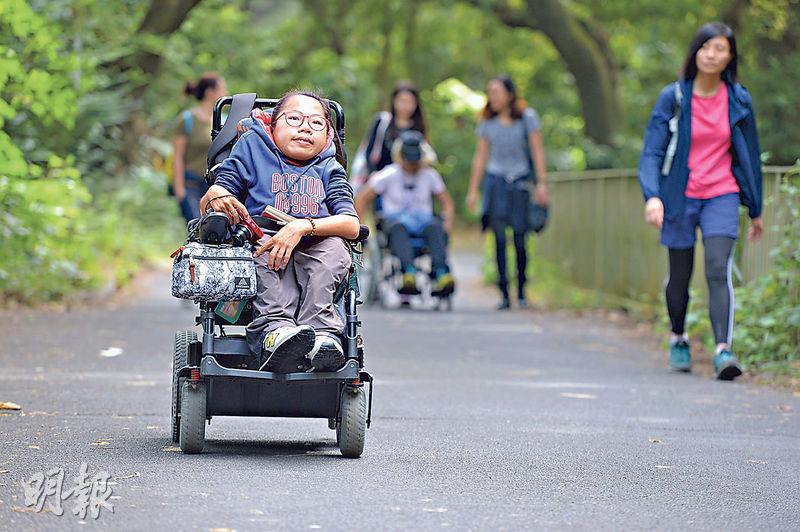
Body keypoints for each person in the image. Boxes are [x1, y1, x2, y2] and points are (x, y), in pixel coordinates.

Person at [199, 90, 360, 374]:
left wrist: (302, 226)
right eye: (295, 118)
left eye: (317, 123)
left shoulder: (328, 166)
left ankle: (322, 336)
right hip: (263, 238)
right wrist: (215, 196)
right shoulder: (252, 148)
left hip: (315, 240)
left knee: (335, 249)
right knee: (257, 248)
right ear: (273, 125)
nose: (305, 127)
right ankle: (276, 332)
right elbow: (217, 192)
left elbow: (350, 224)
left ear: (327, 136)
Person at [638, 22, 763, 380]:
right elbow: (652, 151)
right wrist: (653, 197)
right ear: (695, 52)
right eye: (705, 47)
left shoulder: (739, 99)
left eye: (720, 48)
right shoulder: (674, 97)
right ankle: (678, 338)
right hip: (679, 195)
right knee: (680, 275)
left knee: (716, 268)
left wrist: (756, 208)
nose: (711, 54)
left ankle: (724, 350)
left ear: (730, 56)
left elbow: (750, 155)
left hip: (722, 193)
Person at [466, 75, 549, 310]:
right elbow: (481, 157)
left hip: (520, 183)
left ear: (509, 94)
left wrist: (542, 184)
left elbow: (537, 150)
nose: (492, 97)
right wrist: (473, 191)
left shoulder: (527, 118)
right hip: (496, 183)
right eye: (489, 92)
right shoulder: (486, 123)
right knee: (500, 239)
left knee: (520, 238)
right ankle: (504, 293)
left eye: (497, 92)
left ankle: (521, 290)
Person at [355, 131, 455, 297]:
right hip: (396, 223)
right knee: (397, 228)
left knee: (436, 228)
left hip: (424, 223)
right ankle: (408, 273)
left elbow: (447, 203)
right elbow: (361, 198)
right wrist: (361, 229)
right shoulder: (388, 174)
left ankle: (442, 273)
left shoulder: (430, 175)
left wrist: (447, 226)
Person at [173, 72, 228, 223]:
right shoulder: (187, 120)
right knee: (196, 225)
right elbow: (177, 156)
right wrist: (179, 188)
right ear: (210, 92)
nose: (226, 94)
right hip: (190, 184)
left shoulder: (224, 122)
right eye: (222, 89)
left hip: (214, 184)